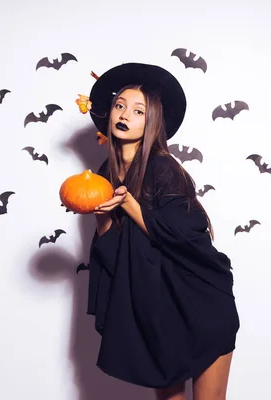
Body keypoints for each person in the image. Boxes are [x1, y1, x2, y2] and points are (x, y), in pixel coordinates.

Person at [78, 62, 240, 400]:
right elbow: (114, 254)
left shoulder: (163, 167)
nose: (125, 114)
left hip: (200, 306)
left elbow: (186, 236)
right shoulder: (106, 171)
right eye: (120, 105)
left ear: (151, 122)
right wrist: (98, 213)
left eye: (138, 110)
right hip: (157, 313)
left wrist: (129, 204)